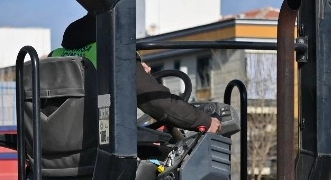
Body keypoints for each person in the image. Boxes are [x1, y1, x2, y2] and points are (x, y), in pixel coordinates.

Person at [51, 13, 220, 134]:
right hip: (99, 151)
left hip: (53, 154)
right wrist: (205, 121)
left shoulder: (55, 57)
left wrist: (134, 70)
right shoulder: (112, 54)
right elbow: (158, 103)